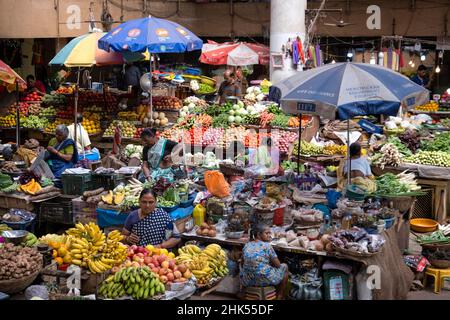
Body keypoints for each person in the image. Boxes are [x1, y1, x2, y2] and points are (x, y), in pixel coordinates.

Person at [240, 223, 289, 300]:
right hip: (265, 279)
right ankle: (280, 295)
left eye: (270, 233)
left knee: (245, 268)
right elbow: (278, 265)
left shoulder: (247, 245)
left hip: (247, 280)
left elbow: (243, 263)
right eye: (267, 233)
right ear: (259, 234)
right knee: (284, 267)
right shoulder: (267, 246)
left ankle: (242, 292)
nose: (270, 235)